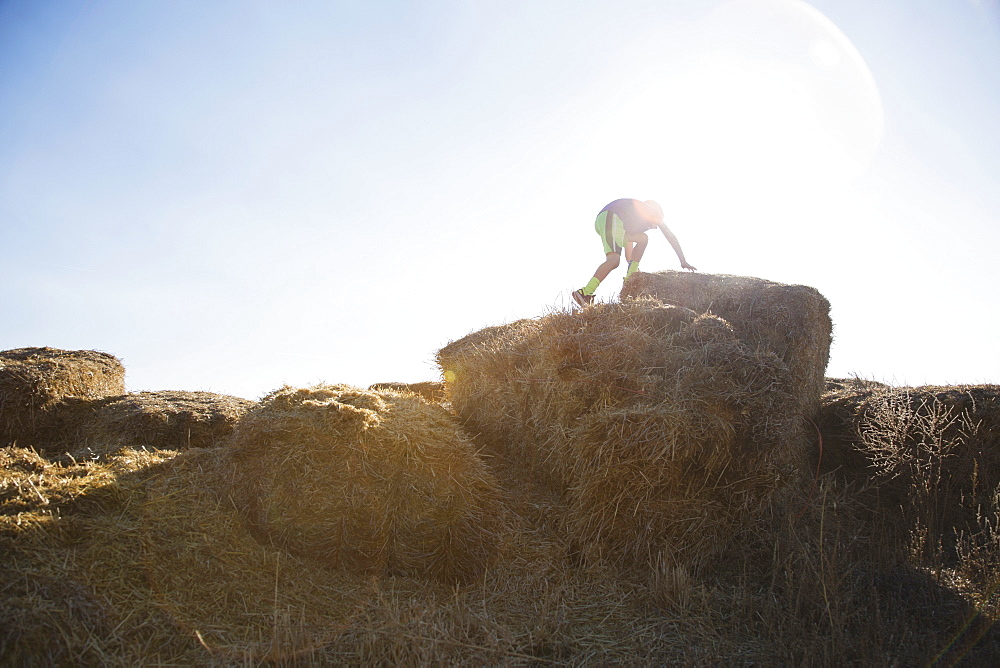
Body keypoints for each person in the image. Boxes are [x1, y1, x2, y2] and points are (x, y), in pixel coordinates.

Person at [571, 198, 696, 307]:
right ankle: (585, 292)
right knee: (613, 261)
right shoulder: (652, 210)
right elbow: (671, 236)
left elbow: (629, 255)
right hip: (612, 216)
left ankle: (630, 280)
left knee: (643, 239)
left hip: (609, 220)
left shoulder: (631, 218)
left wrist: (632, 278)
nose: (655, 227)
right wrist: (682, 260)